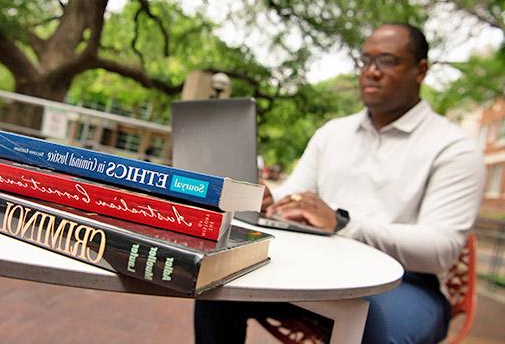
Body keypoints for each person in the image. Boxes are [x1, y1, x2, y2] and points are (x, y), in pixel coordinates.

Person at [194, 23, 486, 344]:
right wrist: (266, 200)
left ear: (420, 70)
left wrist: (342, 224)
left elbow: (439, 250)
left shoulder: (454, 148)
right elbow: (293, 193)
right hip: (319, 268)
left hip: (404, 283)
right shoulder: (333, 133)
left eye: (387, 61)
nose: (371, 72)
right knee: (218, 285)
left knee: (379, 335)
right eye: (365, 61)